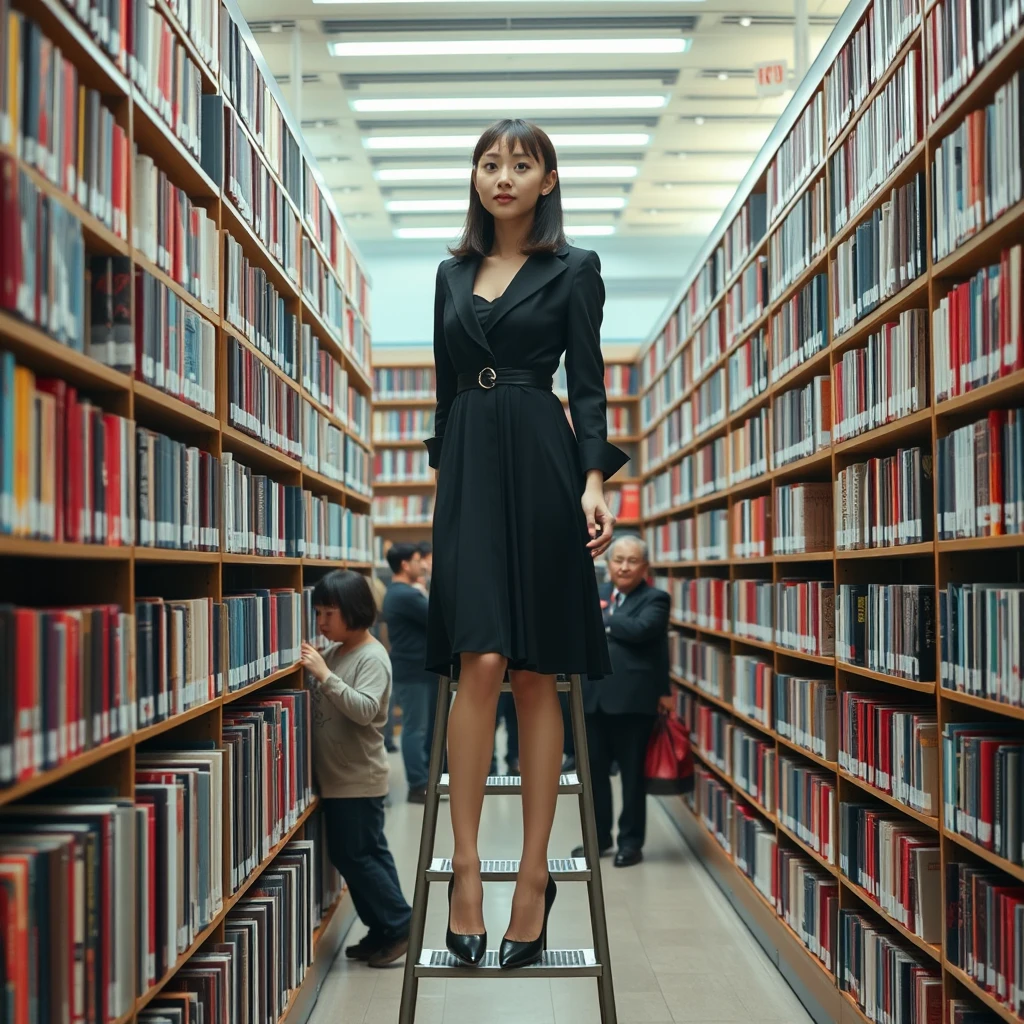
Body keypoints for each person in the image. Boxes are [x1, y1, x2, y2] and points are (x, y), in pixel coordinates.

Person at [422, 118, 627, 970]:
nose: (501, 175)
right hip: (469, 467)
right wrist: (446, 489)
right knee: (479, 660)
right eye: (489, 161)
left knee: (538, 670)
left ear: (547, 181)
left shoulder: (573, 270)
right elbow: (441, 393)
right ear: (474, 176)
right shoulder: (449, 273)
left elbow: (587, 384)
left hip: (544, 462)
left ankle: (534, 877)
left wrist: (592, 482)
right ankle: (466, 870)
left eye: (522, 163)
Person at [300, 570, 412, 966]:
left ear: (353, 611)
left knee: (357, 856)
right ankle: (382, 927)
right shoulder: (336, 652)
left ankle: (399, 924)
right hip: (338, 779)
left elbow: (365, 710)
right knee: (362, 855)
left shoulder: (371, 657)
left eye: (328, 614)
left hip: (358, 779)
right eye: (317, 614)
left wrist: (324, 676)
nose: (321, 623)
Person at [572, 536, 671, 867]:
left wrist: (603, 620)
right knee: (593, 776)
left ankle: (631, 842)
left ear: (644, 567)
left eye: (632, 561)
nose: (624, 567)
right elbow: (576, 630)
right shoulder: (593, 595)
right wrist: (608, 621)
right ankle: (598, 838)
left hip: (633, 703)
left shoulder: (656, 598)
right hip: (592, 700)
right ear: (608, 564)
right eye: (618, 560)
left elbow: (643, 629)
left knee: (633, 777)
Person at [382, 542, 438, 803]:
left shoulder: (398, 592)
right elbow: (438, 618)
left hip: (413, 669)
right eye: (418, 560)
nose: (423, 564)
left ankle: (423, 780)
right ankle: (418, 785)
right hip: (413, 671)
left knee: (419, 727)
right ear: (405, 564)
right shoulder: (405, 595)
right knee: (415, 728)